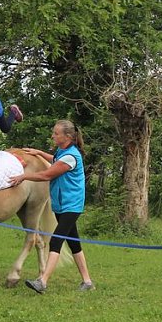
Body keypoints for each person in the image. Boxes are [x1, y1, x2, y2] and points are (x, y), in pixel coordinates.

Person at [9, 119, 94, 293]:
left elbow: (47, 174)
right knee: (74, 243)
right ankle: (87, 282)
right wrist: (38, 152)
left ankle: (43, 281)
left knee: (56, 241)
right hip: (62, 205)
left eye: (56, 133)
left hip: (71, 205)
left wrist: (23, 177)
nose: (53, 136)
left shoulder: (71, 156)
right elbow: (55, 159)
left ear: (67, 136)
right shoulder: (63, 152)